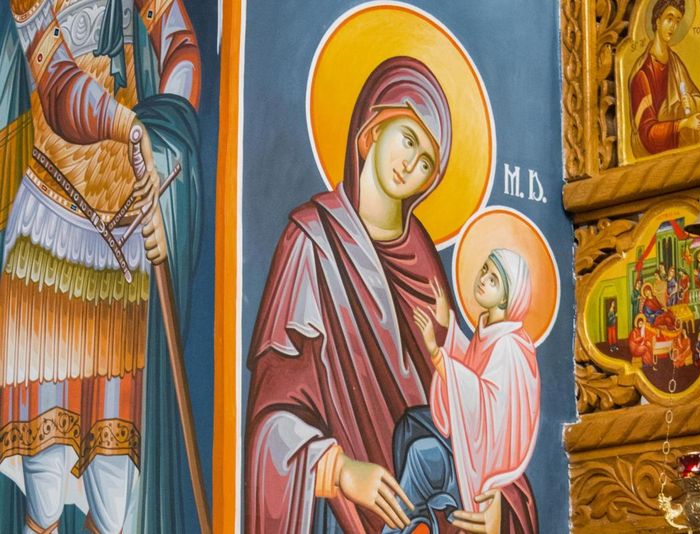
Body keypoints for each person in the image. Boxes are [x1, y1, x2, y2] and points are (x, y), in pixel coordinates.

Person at [245, 57, 537, 534]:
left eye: (426, 163)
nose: (411, 166)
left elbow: (476, 404)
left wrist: (498, 499)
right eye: (408, 139)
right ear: (371, 133)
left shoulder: (424, 260)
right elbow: (272, 418)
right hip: (345, 512)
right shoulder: (311, 243)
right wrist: (338, 469)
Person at [0, 0, 202, 532]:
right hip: (48, 250)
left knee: (114, 485)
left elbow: (180, 48)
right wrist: (130, 126)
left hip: (121, 252)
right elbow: (59, 88)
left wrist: (165, 151)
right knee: (44, 473)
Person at [390, 250, 540, 534]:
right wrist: (448, 327)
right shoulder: (490, 330)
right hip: (472, 442)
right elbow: (472, 371)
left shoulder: (509, 346)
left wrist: (436, 353)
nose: (483, 279)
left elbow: (484, 401)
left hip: (486, 462)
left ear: (506, 298)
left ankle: (400, 527)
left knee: (421, 455)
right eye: (484, 270)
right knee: (411, 423)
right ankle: (418, 521)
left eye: (494, 280)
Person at [629, 0, 700, 156]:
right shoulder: (643, 75)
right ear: (657, 21)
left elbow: (697, 99)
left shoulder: (675, 63)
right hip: (654, 161)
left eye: (677, 21)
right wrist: (683, 123)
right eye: (669, 19)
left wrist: (690, 102)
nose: (673, 26)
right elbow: (647, 134)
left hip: (683, 153)